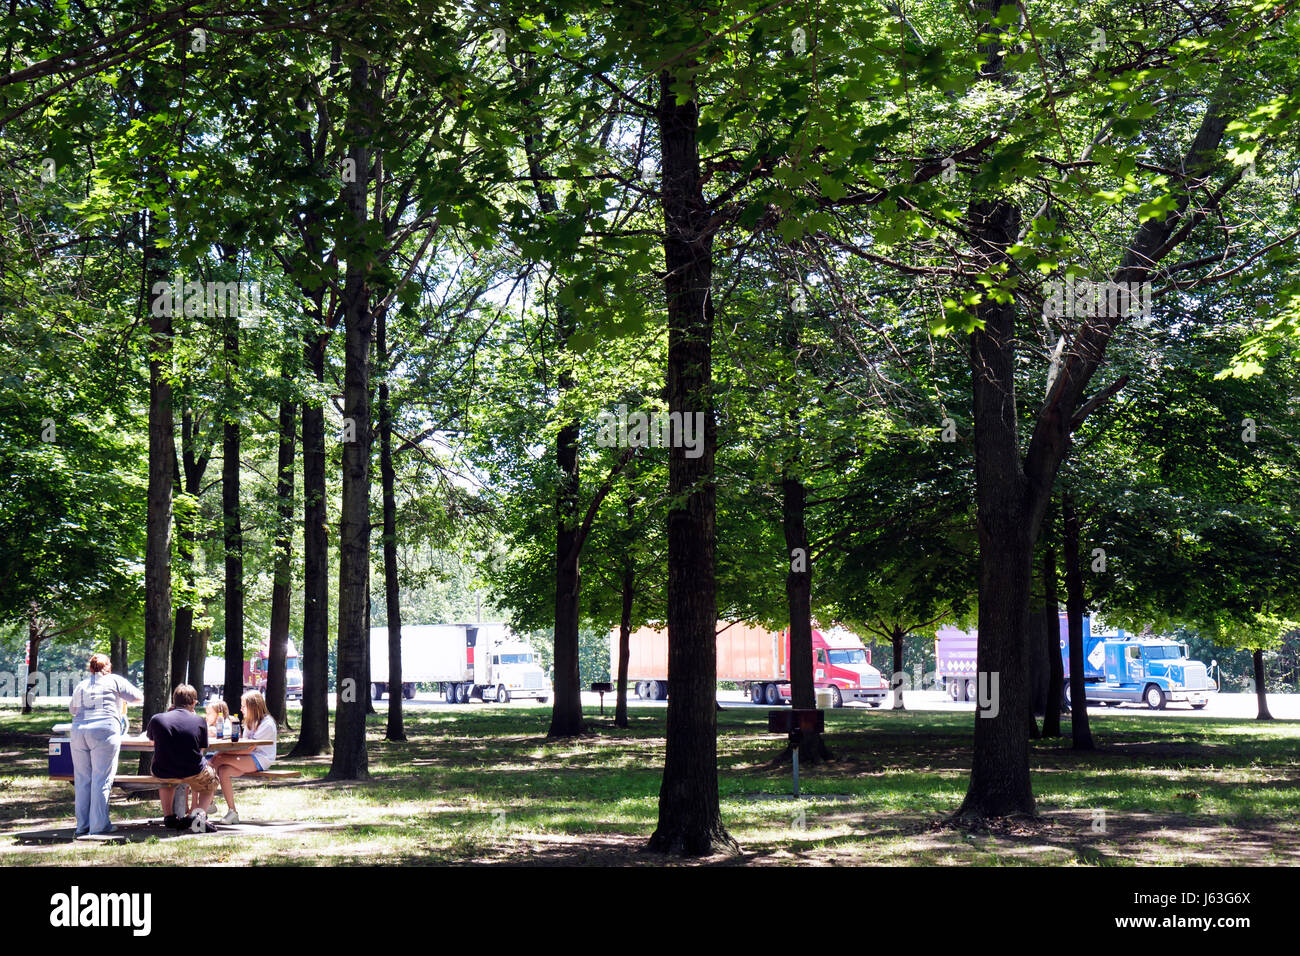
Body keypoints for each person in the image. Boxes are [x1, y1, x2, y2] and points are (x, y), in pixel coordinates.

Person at [68, 653, 142, 836]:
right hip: (104, 731)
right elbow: (138, 697)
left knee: (83, 780)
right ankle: (99, 826)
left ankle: (82, 826)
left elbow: (72, 710)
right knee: (101, 779)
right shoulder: (114, 680)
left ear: (90, 669)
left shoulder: (82, 685)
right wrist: (121, 701)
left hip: (78, 732)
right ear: (108, 667)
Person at [146, 684, 219, 831]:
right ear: (193, 702)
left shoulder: (157, 719)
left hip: (163, 769)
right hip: (193, 770)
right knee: (211, 781)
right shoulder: (199, 721)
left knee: (166, 782)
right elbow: (202, 748)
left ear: (174, 701)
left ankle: (169, 817)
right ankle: (198, 817)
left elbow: (152, 741)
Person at [198, 689, 276, 825]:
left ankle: (205, 805)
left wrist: (225, 754)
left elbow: (249, 748)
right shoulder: (249, 722)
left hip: (261, 758)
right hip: (249, 756)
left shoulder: (267, 723)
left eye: (244, 706)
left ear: (253, 706)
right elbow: (243, 745)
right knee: (223, 770)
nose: (241, 709)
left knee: (217, 759)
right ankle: (232, 812)